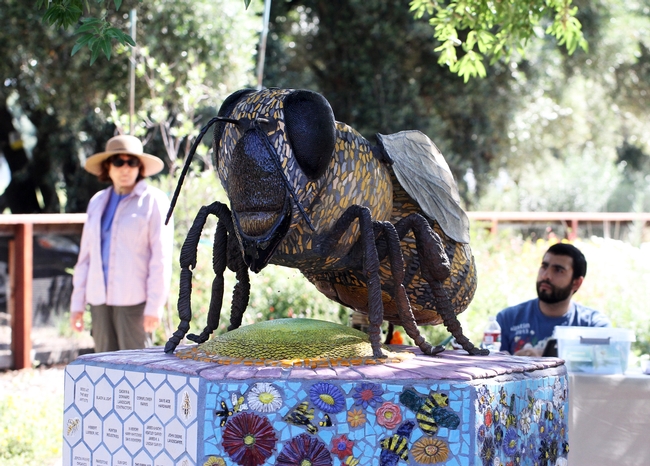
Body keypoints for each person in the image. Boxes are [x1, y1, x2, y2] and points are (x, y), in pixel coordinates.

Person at [70, 134, 174, 352]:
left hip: (135, 302)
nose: (125, 168)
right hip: (99, 301)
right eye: (118, 162)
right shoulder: (97, 202)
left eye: (132, 162)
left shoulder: (154, 201)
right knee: (105, 368)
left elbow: (161, 258)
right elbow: (85, 257)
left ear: (140, 167)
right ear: (108, 166)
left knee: (136, 369)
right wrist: (77, 304)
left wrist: (154, 306)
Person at [496, 242, 610, 356]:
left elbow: (605, 360)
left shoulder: (593, 325)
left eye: (558, 270)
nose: (546, 275)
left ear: (576, 283)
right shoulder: (507, 319)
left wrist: (546, 358)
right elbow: (487, 365)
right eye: (544, 266)